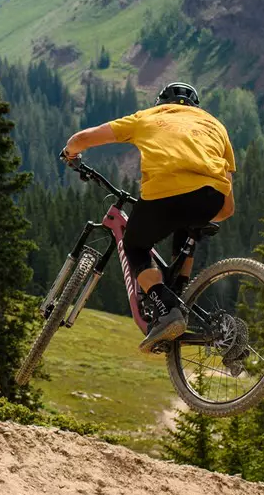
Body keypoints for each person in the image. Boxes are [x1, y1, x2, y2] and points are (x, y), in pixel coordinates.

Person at [60, 81, 235, 350]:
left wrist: (71, 153)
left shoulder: (148, 117)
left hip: (165, 193)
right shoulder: (215, 126)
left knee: (135, 245)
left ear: (161, 103)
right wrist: (205, 215)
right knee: (187, 226)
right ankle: (178, 296)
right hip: (212, 197)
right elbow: (227, 196)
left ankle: (165, 307)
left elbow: (82, 139)